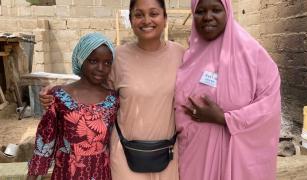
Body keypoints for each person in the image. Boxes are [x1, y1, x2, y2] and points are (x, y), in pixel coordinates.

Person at [39, 0, 184, 179]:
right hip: (124, 157)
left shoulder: (181, 55)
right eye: (139, 15)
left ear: (165, 18)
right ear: (130, 20)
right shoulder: (118, 57)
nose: (146, 20)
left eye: (154, 13)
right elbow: (91, 87)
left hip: (167, 156)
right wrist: (58, 91)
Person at [174, 0, 281, 179]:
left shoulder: (251, 54)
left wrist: (224, 118)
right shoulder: (188, 57)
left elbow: (269, 107)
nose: (208, 17)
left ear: (228, 12)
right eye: (200, 11)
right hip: (193, 157)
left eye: (216, 10)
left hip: (235, 158)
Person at [27, 32, 119, 180]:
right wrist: (32, 175)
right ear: (80, 59)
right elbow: (45, 140)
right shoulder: (58, 97)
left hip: (100, 174)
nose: (101, 68)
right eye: (93, 61)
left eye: (107, 62)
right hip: (66, 174)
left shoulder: (113, 100)